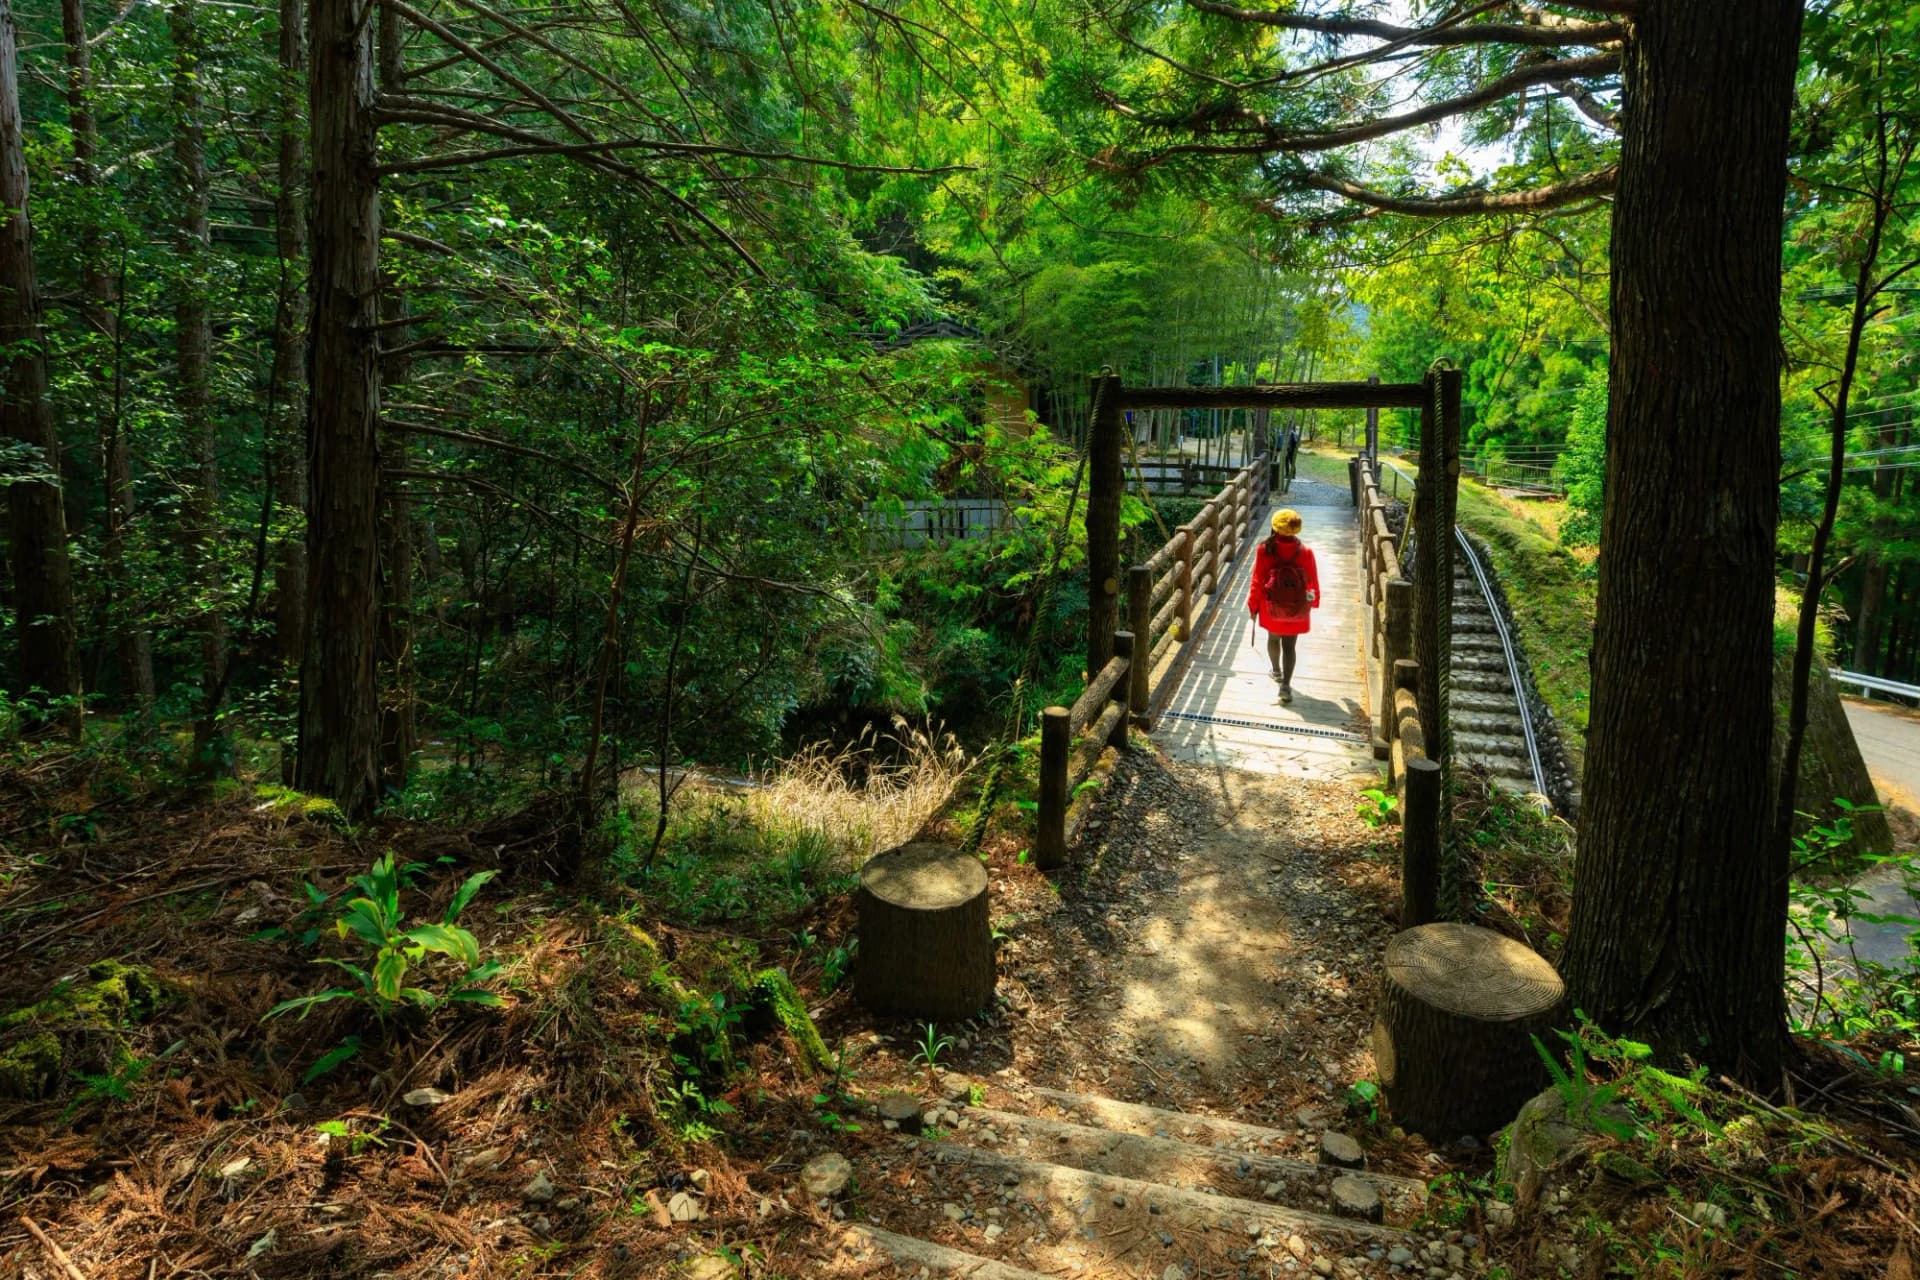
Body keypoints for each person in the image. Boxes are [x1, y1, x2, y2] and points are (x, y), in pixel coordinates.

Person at [1248, 508, 1320, 704]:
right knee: (1290, 646)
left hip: (1271, 605)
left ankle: (1276, 671)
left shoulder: (1264, 549)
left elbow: (1257, 580)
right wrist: (1313, 603)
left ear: (1275, 527)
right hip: (1297, 606)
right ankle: (1286, 686)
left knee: (1273, 638)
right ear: (1297, 529)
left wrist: (1253, 605)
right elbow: (1312, 581)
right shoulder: (1306, 552)